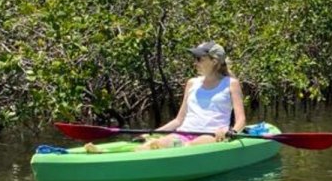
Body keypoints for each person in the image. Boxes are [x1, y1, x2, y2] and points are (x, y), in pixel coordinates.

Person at [85, 40, 247, 153]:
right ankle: (104, 154)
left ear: (214, 61)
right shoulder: (192, 83)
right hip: (184, 133)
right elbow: (178, 120)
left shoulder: (231, 84)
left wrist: (230, 131)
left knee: (190, 148)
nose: (195, 63)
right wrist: (153, 133)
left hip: (211, 135)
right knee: (153, 144)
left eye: (199, 59)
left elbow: (241, 120)